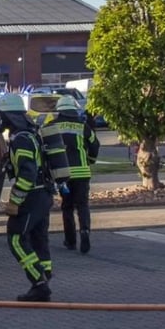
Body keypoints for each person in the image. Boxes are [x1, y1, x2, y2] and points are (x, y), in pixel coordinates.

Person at [0, 93, 53, 302]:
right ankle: (45, 273)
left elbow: (27, 173)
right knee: (38, 237)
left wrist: (15, 201)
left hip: (31, 196)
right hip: (43, 194)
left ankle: (39, 283)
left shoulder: (21, 140)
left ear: (8, 116)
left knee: (16, 238)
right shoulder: (30, 134)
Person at [44, 95, 100, 254]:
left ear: (59, 111)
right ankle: (85, 231)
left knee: (67, 206)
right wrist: (91, 160)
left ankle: (70, 241)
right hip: (82, 172)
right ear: (74, 110)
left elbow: (45, 147)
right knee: (82, 205)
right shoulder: (83, 127)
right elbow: (95, 144)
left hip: (63, 174)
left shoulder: (51, 126)